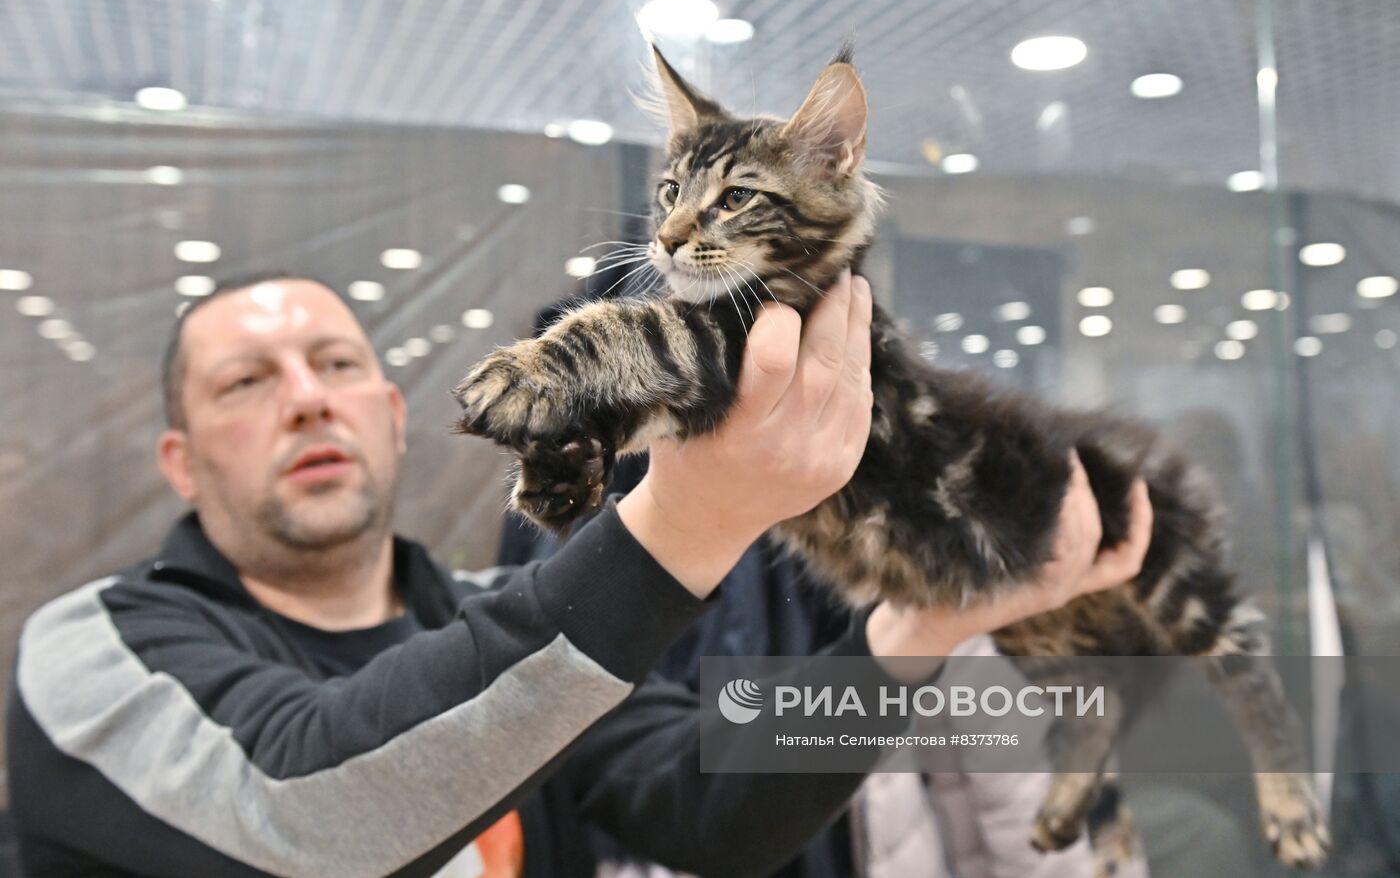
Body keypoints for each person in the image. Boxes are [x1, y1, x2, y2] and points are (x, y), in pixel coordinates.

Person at [7, 271, 1152, 878]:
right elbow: (310, 810)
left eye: (337, 364)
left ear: (394, 418)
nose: (306, 395)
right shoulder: (92, 648)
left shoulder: (478, 617)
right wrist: (678, 519)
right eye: (245, 382)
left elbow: (710, 788)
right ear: (180, 460)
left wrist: (912, 630)